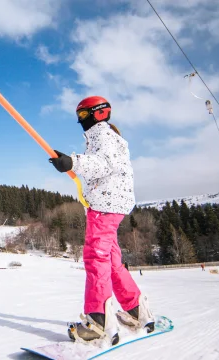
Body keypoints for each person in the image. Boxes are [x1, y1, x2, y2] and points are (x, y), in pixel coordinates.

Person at [49, 96, 154, 343]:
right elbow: (101, 165)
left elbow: (103, 165)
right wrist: (71, 163)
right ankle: (137, 312)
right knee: (112, 261)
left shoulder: (102, 135)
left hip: (106, 205)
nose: (80, 121)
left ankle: (98, 323)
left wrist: (73, 161)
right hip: (113, 203)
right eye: (79, 116)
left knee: (96, 257)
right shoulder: (105, 136)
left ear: (99, 113)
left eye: (84, 115)